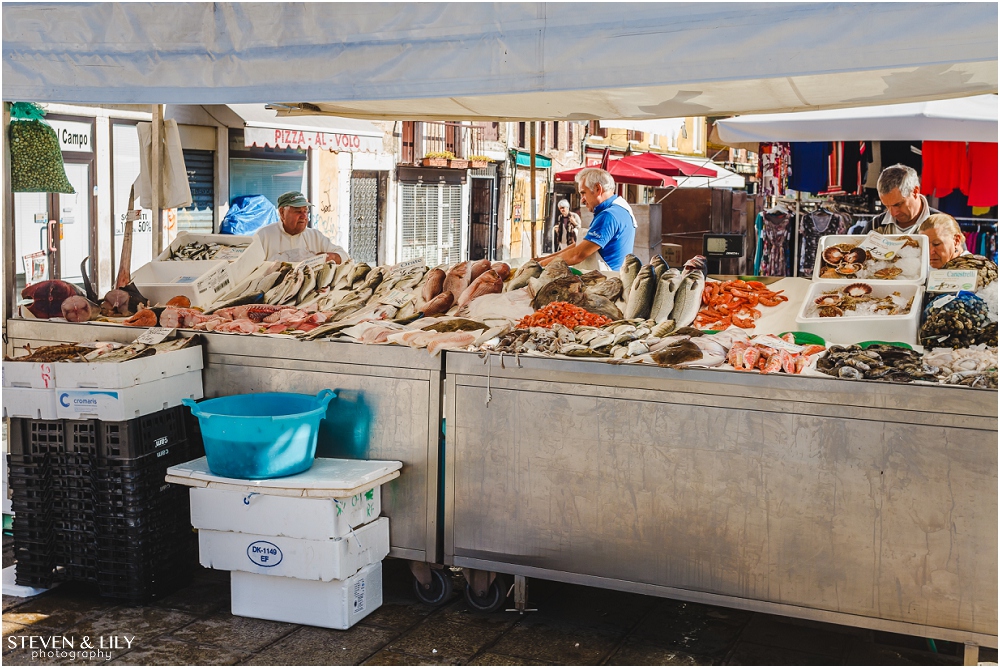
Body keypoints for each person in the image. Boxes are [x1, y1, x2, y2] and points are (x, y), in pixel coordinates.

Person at [537, 168, 635, 271]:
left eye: (583, 193)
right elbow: (581, 245)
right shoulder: (619, 209)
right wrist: (543, 259)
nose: (582, 199)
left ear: (598, 189)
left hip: (606, 280)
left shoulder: (608, 215)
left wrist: (540, 265)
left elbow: (577, 254)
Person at [254, 191, 349, 263]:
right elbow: (250, 270)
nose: (304, 217)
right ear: (282, 213)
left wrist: (332, 257)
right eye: (298, 211)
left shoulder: (315, 236)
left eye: (305, 211)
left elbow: (345, 256)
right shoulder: (264, 236)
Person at [872, 164, 938, 235]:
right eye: (887, 206)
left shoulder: (942, 224)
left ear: (915, 191)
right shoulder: (874, 226)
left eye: (898, 205)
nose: (893, 213)